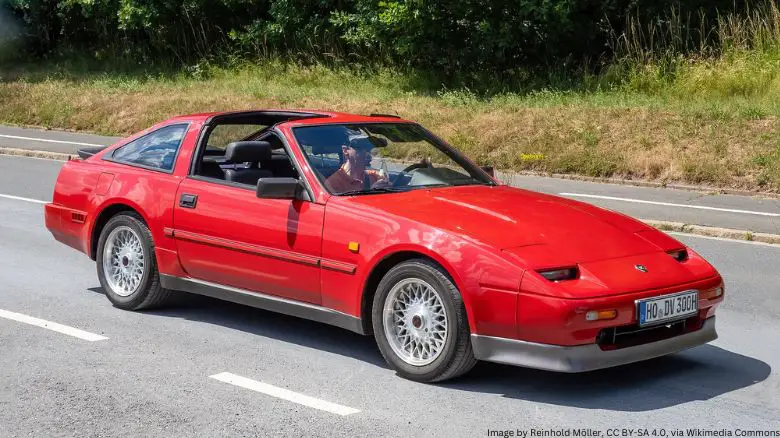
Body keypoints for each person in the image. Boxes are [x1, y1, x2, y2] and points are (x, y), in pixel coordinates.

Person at [325, 134, 390, 193]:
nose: (366, 152)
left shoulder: (376, 176)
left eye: (368, 148)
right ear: (345, 150)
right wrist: (373, 191)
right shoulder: (332, 183)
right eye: (359, 148)